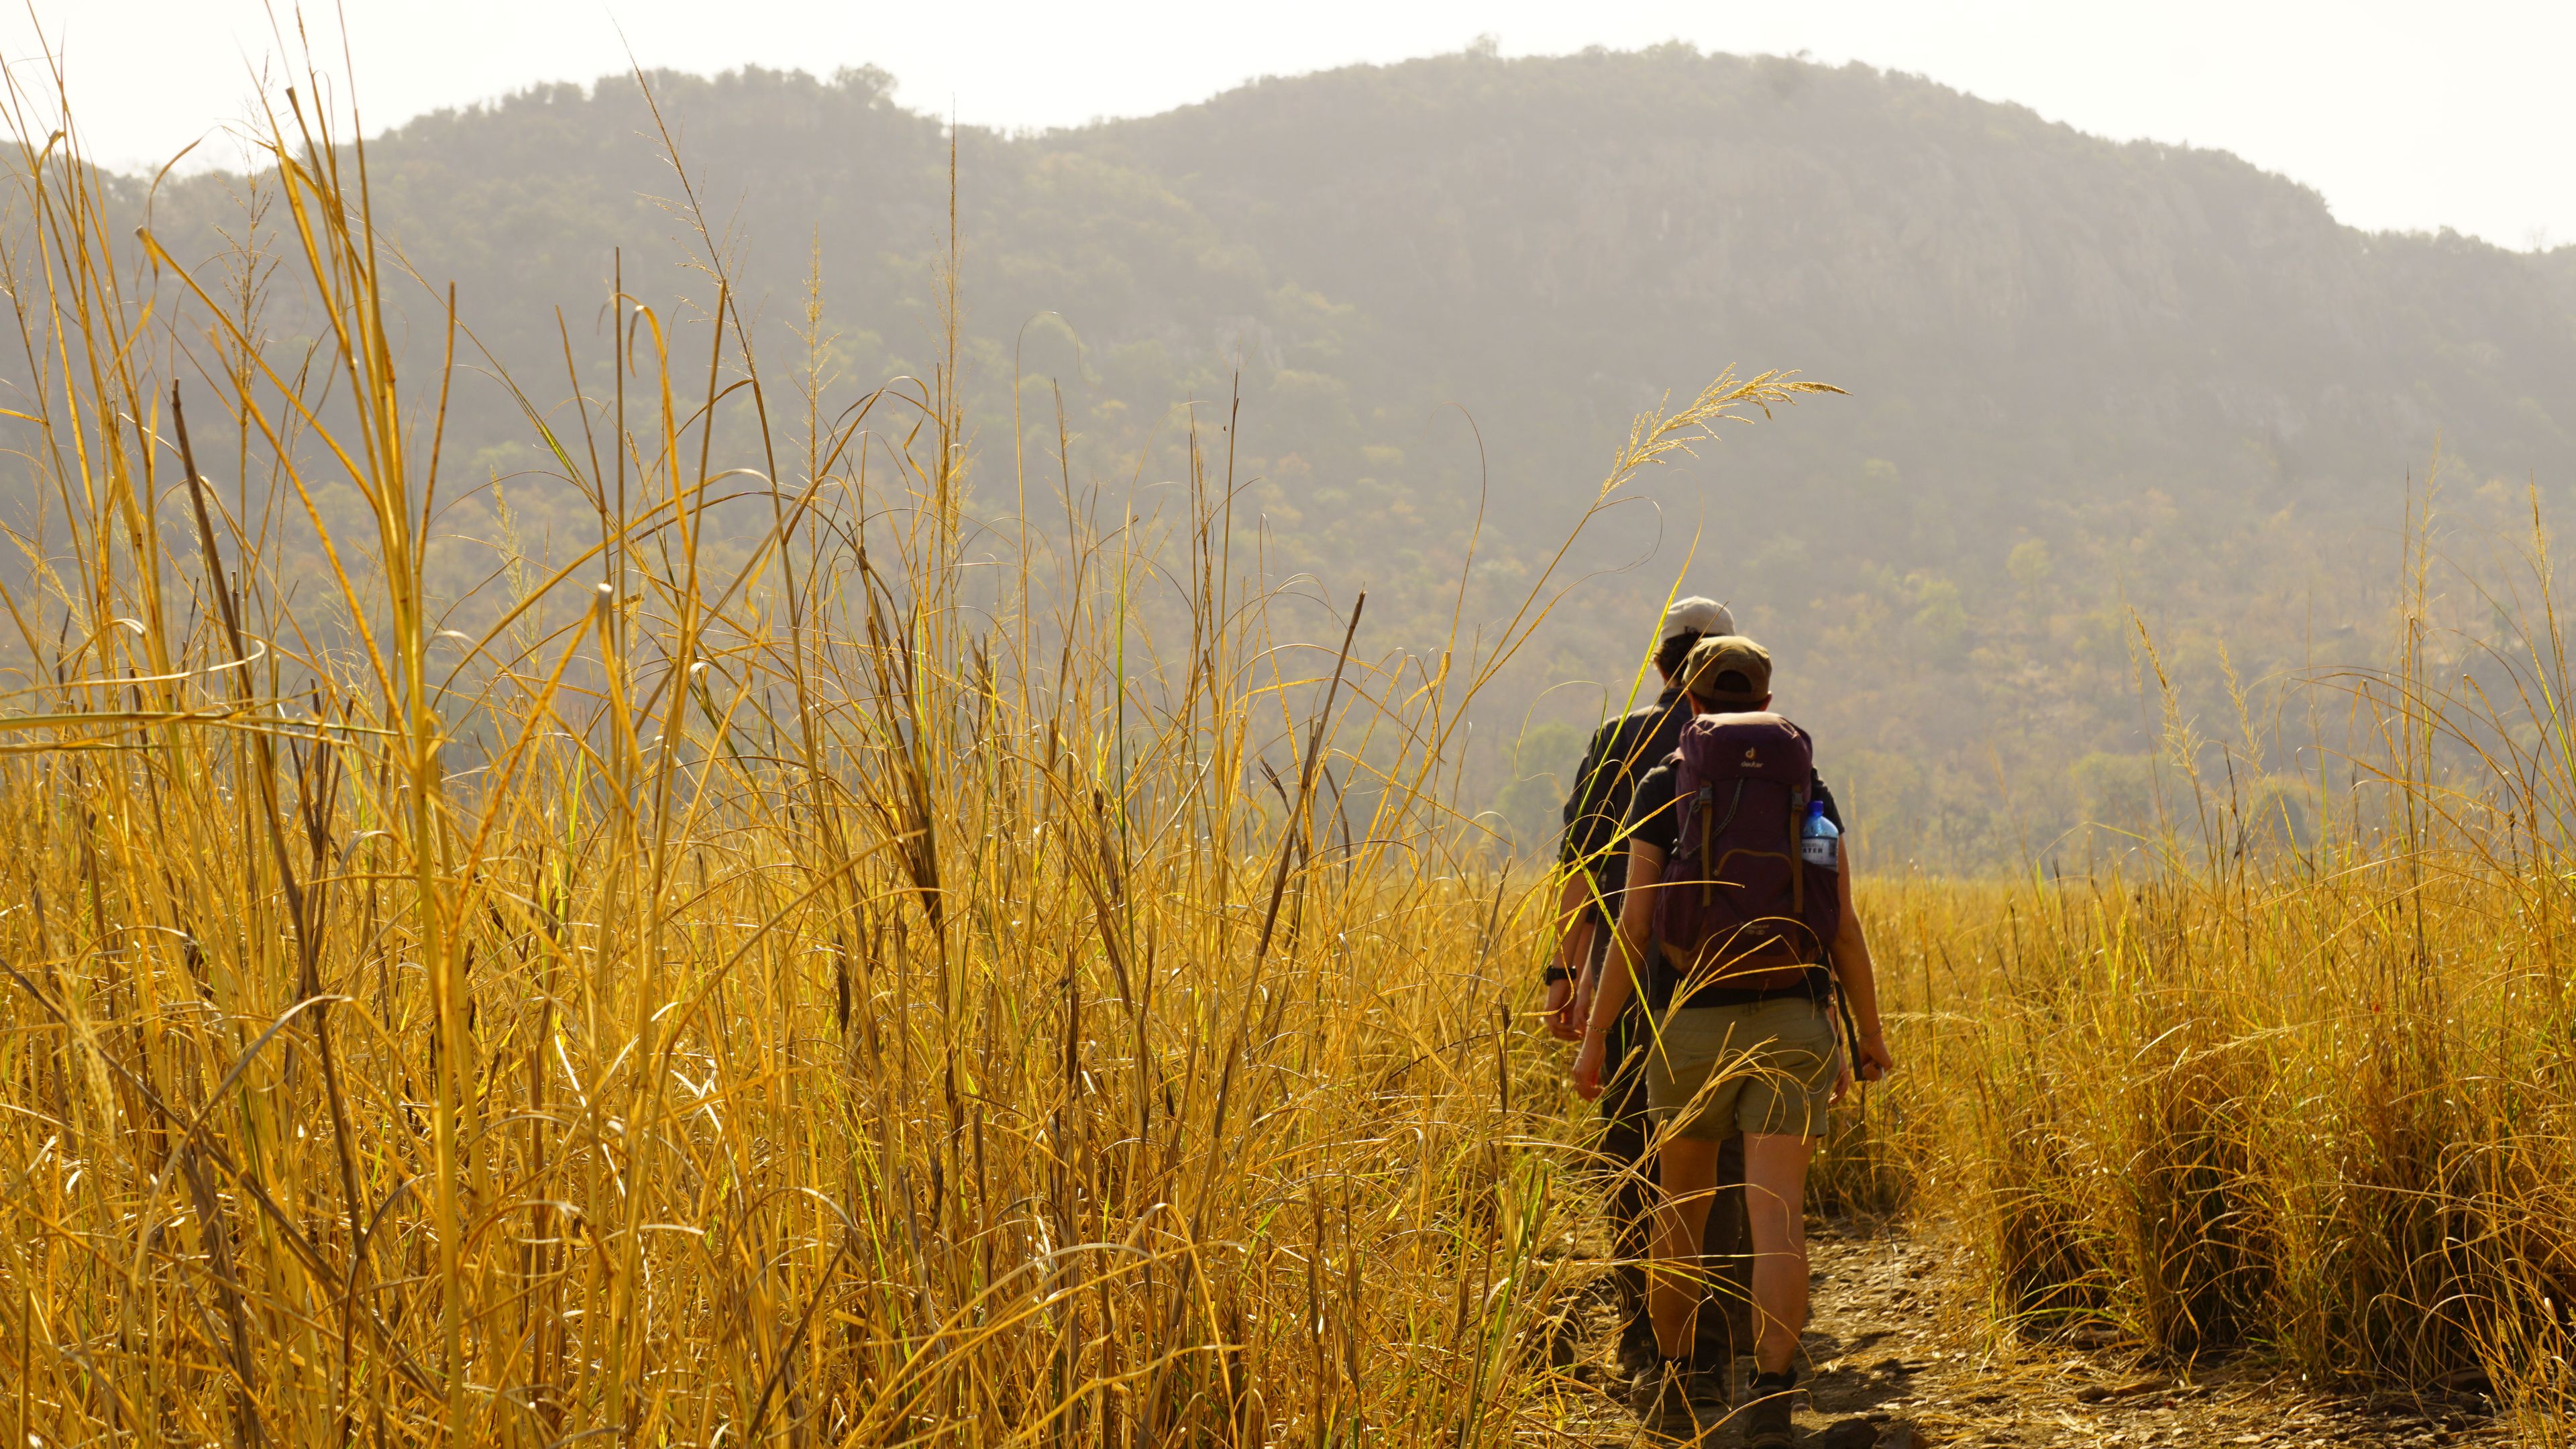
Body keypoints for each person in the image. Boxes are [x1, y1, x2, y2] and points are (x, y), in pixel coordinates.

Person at [1570, 634, 1895, 1445]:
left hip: (1692, 1023)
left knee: (1679, 1210)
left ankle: (1680, 1382)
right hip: (1793, 1019)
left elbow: (1636, 928)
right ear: (1765, 695)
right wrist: (1866, 1034)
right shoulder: (1806, 787)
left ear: (1687, 699)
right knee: (1777, 1215)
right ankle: (1773, 1397)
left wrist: (1597, 1038)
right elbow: (1840, 923)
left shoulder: (1661, 783)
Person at [1544, 596, 1748, 1378]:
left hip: (1624, 975)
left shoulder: (1622, 742)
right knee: (1722, 1154)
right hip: (1733, 973)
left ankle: (1644, 1332)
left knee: (1633, 1150)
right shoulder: (1770, 748)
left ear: (1664, 665)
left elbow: (1579, 866)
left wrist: (1566, 977)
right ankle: (1721, 1334)